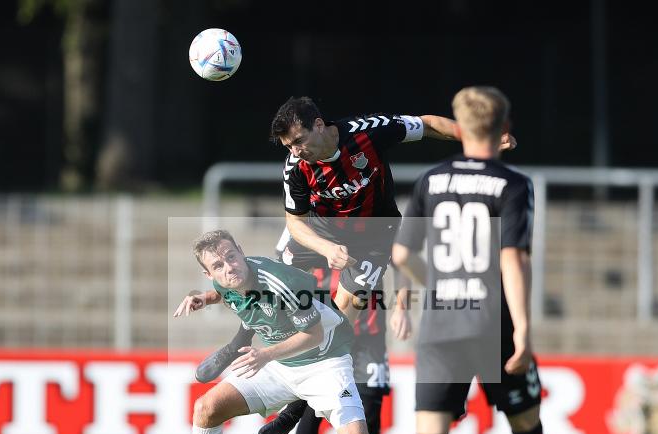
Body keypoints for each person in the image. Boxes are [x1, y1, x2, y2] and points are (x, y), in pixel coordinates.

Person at [391, 86, 574, 434]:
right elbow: (513, 259)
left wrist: (441, 286)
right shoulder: (513, 183)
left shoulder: (431, 179)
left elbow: (403, 255)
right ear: (503, 126)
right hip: (493, 321)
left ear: (458, 124)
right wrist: (526, 332)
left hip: (442, 323)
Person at [192, 96, 464, 384]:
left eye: (299, 140)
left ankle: (304, 391)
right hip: (320, 231)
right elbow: (294, 222)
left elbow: (428, 124)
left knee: (342, 321)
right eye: (289, 146)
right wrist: (326, 247)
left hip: (374, 236)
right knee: (271, 281)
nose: (296, 150)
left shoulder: (368, 132)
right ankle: (238, 344)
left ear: (319, 125)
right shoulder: (295, 167)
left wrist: (477, 138)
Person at [162, 230, 416, 434]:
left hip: (325, 363)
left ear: (241, 251)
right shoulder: (223, 279)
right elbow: (222, 288)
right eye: (218, 265)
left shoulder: (281, 281)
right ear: (209, 273)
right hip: (278, 364)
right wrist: (204, 297)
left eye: (231, 256)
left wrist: (265, 354)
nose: (228, 267)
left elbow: (314, 335)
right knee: (206, 409)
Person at [256, 262, 394, 434]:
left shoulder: (373, 232)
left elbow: (400, 257)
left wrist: (402, 307)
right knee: (312, 411)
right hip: (327, 333)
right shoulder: (306, 235)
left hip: (368, 336)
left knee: (372, 406)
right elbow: (283, 272)